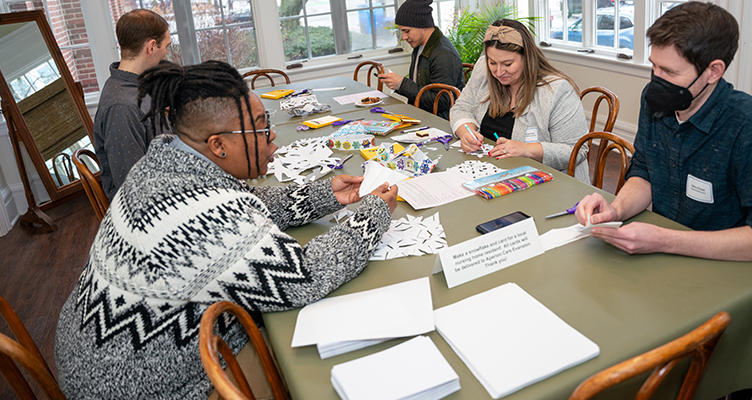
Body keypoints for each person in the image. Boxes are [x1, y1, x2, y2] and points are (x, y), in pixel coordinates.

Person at [54, 60, 399, 399]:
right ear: (218, 145)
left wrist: (325, 195)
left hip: (95, 357)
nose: (272, 136)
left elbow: (246, 199)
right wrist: (373, 214)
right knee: (310, 374)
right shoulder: (208, 213)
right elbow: (305, 278)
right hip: (139, 386)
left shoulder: (164, 162)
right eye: (262, 128)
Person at [575, 2, 752, 262]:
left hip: (728, 269)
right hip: (665, 257)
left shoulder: (751, 127)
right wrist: (616, 211)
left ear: (713, 71)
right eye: (654, 66)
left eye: (670, 72)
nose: (656, 79)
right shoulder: (657, 103)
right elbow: (645, 172)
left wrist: (664, 239)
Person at [450, 19, 590, 183]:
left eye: (508, 64)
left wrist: (526, 149)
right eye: (492, 62)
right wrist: (465, 132)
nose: (499, 71)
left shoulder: (556, 90)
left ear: (527, 58)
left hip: (549, 184)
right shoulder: (484, 68)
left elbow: (576, 150)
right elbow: (461, 107)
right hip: (491, 176)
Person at [94, 9, 171, 199]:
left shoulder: (132, 84)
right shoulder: (122, 108)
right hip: (156, 207)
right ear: (151, 47)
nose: (166, 53)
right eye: (166, 46)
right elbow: (135, 190)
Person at [377, 0, 465, 119]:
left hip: (438, 123)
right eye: (401, 31)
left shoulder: (444, 54)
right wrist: (397, 85)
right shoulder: (420, 47)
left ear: (423, 25)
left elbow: (441, 102)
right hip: (420, 115)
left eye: (407, 31)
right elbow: (421, 88)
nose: (403, 37)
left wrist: (401, 84)